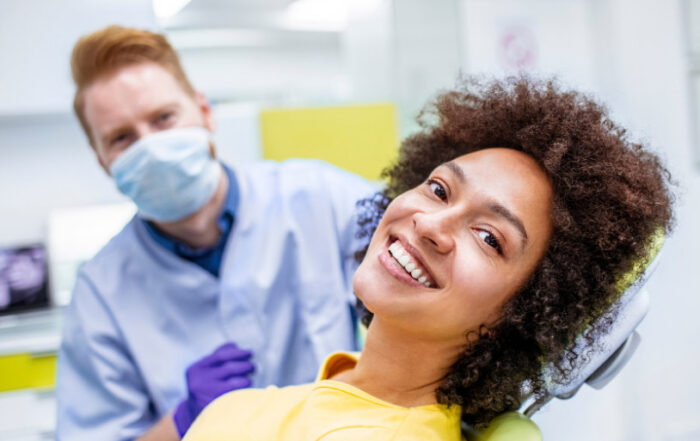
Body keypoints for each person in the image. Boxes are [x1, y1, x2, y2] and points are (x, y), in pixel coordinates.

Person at [181, 76, 674, 440]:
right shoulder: (236, 412)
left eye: (488, 237)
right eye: (439, 189)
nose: (432, 225)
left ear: (523, 313)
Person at [55, 26, 375, 441]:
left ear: (205, 112)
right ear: (103, 161)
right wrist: (184, 419)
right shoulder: (100, 294)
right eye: (122, 138)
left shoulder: (321, 198)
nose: (150, 147)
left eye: (163, 118)